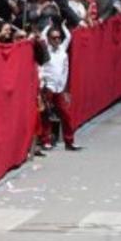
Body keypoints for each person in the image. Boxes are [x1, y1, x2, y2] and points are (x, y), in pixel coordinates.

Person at [38, 23, 81, 151]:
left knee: (66, 114)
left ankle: (70, 141)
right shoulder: (46, 50)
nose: (57, 40)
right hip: (48, 86)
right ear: (49, 39)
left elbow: (68, 36)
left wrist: (62, 25)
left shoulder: (62, 49)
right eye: (54, 38)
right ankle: (46, 140)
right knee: (46, 114)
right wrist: (48, 26)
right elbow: (42, 37)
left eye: (58, 38)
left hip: (60, 87)